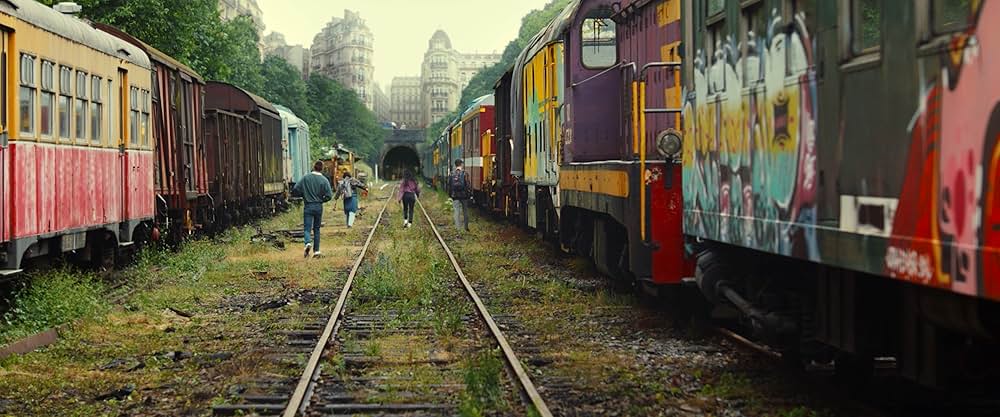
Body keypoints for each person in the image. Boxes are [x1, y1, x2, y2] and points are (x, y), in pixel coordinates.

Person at [291, 161, 333, 258]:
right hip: (318, 206)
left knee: (307, 228)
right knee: (317, 228)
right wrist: (321, 200)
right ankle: (317, 251)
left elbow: (296, 189)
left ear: (313, 167)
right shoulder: (324, 180)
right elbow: (329, 195)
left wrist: (303, 195)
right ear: (322, 168)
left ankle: (307, 242)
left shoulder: (306, 178)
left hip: (308, 206)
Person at [447, 159, 470, 232]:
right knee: (465, 211)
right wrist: (468, 194)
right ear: (461, 164)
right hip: (464, 195)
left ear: (455, 165)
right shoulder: (465, 173)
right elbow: (467, 185)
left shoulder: (451, 173)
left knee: (456, 211)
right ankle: (466, 227)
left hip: (455, 195)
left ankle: (458, 228)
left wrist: (450, 195)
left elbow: (450, 185)